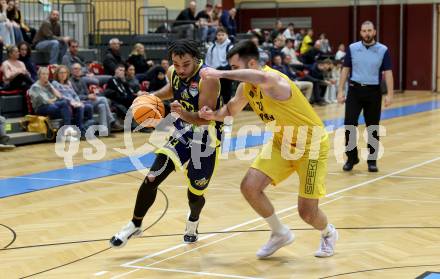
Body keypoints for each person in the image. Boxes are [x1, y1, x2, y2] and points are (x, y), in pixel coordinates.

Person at [199, 40, 338, 259]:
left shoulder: (274, 79)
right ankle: (279, 232)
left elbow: (262, 78)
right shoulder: (246, 87)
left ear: (252, 63)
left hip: (311, 146)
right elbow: (232, 109)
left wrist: (219, 73)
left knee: (307, 213)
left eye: (236, 67)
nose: (234, 72)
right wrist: (212, 115)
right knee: (249, 187)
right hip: (281, 143)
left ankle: (328, 233)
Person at [109, 39, 223, 248]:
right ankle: (135, 224)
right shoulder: (173, 71)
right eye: (176, 64)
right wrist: (150, 97)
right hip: (181, 134)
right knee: (151, 178)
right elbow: (173, 89)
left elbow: (204, 118)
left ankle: (193, 220)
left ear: (197, 60)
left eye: (185, 65)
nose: (180, 69)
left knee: (195, 194)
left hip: (206, 138)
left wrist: (178, 112)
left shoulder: (209, 78)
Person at [338, 21, 394, 172]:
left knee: (373, 128)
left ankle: (372, 160)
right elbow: (345, 69)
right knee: (349, 125)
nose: (367, 34)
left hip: (374, 92)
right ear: (361, 32)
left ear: (374, 32)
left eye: (369, 31)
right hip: (354, 91)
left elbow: (388, 72)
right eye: (364, 31)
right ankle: (351, 157)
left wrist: (390, 94)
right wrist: (340, 90)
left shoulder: (383, 50)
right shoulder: (352, 48)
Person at [70, 63, 123, 135]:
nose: (77, 70)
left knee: (102, 106)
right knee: (103, 99)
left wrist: (90, 95)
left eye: (79, 69)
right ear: (71, 70)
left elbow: (92, 86)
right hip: (79, 103)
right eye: (75, 69)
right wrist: (87, 97)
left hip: (87, 101)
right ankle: (112, 121)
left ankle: (103, 132)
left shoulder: (82, 80)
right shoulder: (70, 82)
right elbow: (73, 97)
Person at [29, 67, 77, 140]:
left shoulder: (48, 84)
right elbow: (47, 101)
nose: (45, 76)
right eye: (43, 74)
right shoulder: (35, 87)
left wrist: (51, 87)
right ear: (39, 75)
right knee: (63, 107)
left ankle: (66, 132)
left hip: (51, 106)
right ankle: (67, 131)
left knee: (64, 104)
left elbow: (59, 96)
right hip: (41, 108)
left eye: (47, 74)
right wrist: (54, 99)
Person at [52, 65, 93, 138]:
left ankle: (84, 127)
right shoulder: (55, 83)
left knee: (89, 106)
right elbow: (60, 96)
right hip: (66, 104)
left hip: (74, 103)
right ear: (57, 74)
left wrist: (78, 102)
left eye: (65, 72)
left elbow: (75, 95)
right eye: (61, 73)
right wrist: (73, 102)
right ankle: (80, 130)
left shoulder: (68, 83)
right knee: (80, 108)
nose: (63, 74)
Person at [205, 27, 233, 103]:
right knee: (215, 94)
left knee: (226, 93)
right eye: (218, 35)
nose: (220, 37)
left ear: (226, 35)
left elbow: (232, 61)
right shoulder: (212, 47)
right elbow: (208, 62)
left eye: (222, 35)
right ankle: (217, 111)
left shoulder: (230, 47)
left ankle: (227, 110)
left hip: (226, 73)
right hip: (214, 74)